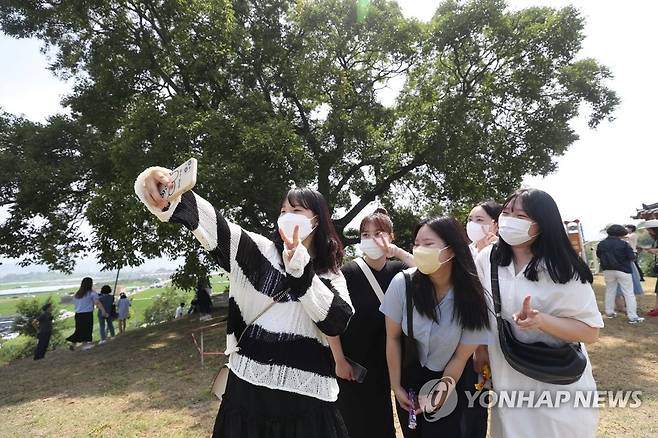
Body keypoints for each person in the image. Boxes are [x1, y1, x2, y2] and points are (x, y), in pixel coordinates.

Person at [135, 167, 354, 438]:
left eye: (297, 212)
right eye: (283, 211)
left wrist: (300, 269)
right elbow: (215, 226)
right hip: (248, 393)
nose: (287, 217)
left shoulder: (330, 275)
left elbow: (336, 321)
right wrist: (164, 192)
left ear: (317, 222)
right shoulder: (258, 252)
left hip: (306, 402)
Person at [475, 188, 603, 438]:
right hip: (507, 379)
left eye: (521, 216)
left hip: (557, 386)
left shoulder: (563, 270)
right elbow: (482, 310)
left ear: (542, 224)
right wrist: (480, 350)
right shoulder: (488, 259)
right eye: (507, 212)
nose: (509, 220)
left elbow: (590, 332)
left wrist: (541, 321)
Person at [381, 217, 490, 437]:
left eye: (428, 244)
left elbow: (460, 358)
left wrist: (439, 394)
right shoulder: (402, 284)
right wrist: (396, 386)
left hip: (451, 380)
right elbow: (392, 338)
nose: (419, 250)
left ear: (450, 251)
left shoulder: (473, 296)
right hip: (410, 378)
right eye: (417, 244)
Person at [330, 208, 414, 438]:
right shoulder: (346, 273)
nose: (371, 239)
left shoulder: (400, 271)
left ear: (391, 236)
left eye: (378, 233)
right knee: (358, 424)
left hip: (393, 360)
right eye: (365, 234)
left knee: (385, 426)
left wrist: (396, 252)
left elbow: (430, 272)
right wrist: (338, 360)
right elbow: (329, 318)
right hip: (356, 365)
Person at [597, 224, 644, 323]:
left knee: (610, 291)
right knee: (628, 293)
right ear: (621, 234)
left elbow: (599, 255)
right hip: (623, 270)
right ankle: (633, 317)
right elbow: (631, 257)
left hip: (607, 270)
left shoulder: (601, 244)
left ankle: (609, 312)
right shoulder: (624, 244)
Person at [66, 277, 107, 350]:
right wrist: (103, 311)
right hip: (87, 314)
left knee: (79, 329)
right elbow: (97, 303)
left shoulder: (78, 294)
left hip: (78, 314)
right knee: (87, 329)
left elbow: (75, 304)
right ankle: (85, 345)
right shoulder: (92, 293)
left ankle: (73, 343)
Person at [638, 221, 658, 316]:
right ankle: (656, 308)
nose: (648, 232)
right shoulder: (655, 240)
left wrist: (650, 250)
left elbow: (655, 250)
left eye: (649, 230)